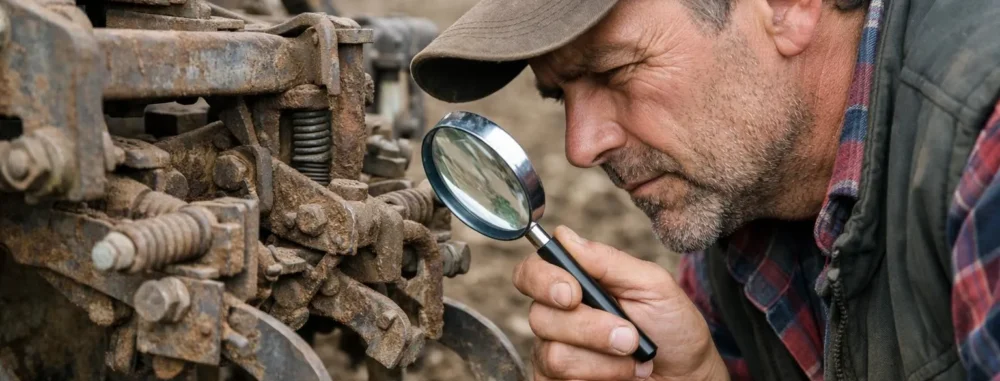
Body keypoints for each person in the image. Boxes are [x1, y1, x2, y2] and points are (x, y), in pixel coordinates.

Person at [410, 0, 1000, 379]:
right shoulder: (743, 216)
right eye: (560, 94)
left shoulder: (983, 150)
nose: (581, 147)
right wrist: (699, 374)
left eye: (615, 71)